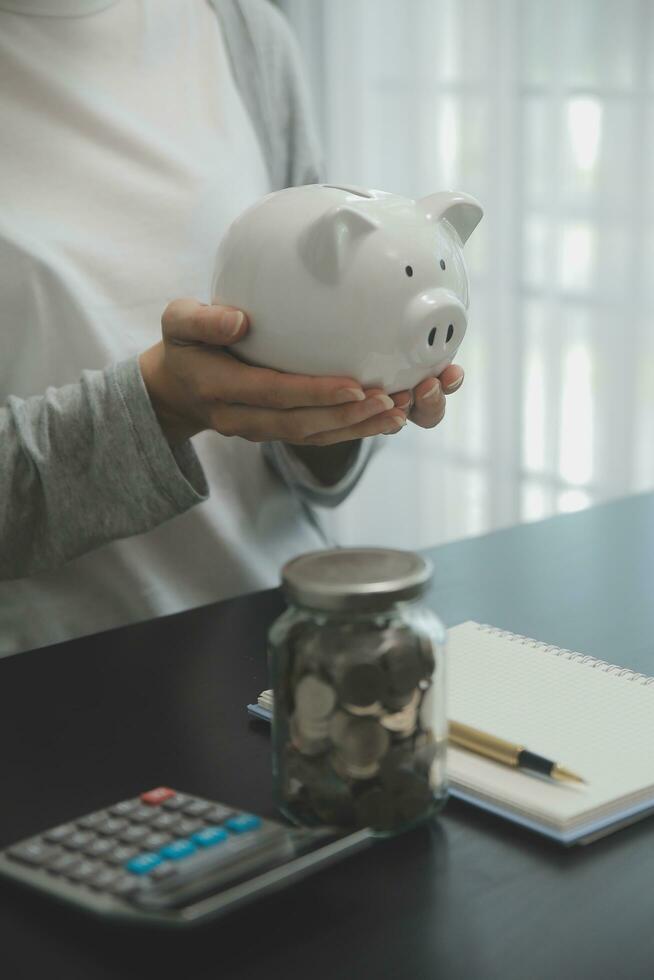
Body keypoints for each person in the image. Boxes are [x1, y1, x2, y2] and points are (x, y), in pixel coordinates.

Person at [0, 0, 463, 657]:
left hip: (279, 635)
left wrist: (348, 402)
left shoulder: (242, 29)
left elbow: (317, 296)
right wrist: (158, 406)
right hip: (55, 679)